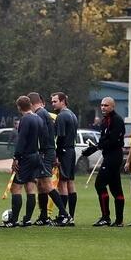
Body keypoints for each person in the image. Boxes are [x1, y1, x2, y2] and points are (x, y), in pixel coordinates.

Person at [28, 92, 71, 226]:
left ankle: (65, 214)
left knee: (46, 184)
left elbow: (43, 136)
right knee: (41, 186)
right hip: (47, 151)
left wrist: (40, 152)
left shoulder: (39, 114)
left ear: (30, 103)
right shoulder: (43, 113)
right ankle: (44, 216)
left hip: (45, 153)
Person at [82, 97, 125, 227]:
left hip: (114, 156)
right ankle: (118, 221)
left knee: (99, 184)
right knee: (115, 188)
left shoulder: (116, 120)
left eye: (106, 105)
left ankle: (106, 217)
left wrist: (95, 147)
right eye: (101, 105)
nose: (103, 107)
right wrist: (94, 147)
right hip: (109, 155)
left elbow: (112, 141)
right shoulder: (104, 121)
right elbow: (103, 139)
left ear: (112, 106)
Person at [4, 96, 45, 228]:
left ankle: (14, 220)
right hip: (36, 155)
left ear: (19, 107)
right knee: (30, 188)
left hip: (26, 157)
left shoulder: (25, 120)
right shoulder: (38, 119)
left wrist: (16, 157)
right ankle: (27, 219)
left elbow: (21, 140)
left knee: (16, 188)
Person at [51, 92, 79, 225]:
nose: (53, 104)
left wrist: (56, 154)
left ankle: (64, 216)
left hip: (64, 151)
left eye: (55, 101)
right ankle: (71, 216)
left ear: (63, 101)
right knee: (70, 182)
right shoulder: (72, 114)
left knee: (62, 182)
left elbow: (60, 137)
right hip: (71, 150)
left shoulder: (61, 116)